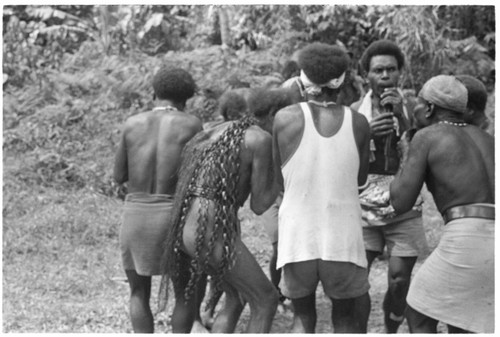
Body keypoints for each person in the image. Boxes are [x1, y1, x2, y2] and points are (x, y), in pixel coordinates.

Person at [160, 88, 283, 333]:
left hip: (185, 222)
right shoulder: (258, 138)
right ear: (268, 113)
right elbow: (259, 205)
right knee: (266, 299)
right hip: (210, 225)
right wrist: (282, 173)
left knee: (235, 296)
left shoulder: (208, 133)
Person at [273, 42, 371, 333]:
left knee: (302, 318)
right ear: (342, 81)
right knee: (343, 318)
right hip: (342, 237)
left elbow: (279, 181)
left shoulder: (284, 119)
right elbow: (360, 181)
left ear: (304, 81)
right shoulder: (360, 123)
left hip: (296, 237)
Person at [390, 75, 495, 333]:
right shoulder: (487, 139)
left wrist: (405, 150)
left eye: (418, 101)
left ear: (429, 108)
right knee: (464, 318)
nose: (414, 107)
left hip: (467, 237)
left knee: (418, 312)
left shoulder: (427, 136)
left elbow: (400, 202)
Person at [113, 66, 202, 333]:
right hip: (174, 216)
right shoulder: (192, 124)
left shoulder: (132, 123)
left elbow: (119, 176)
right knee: (184, 292)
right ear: (187, 98)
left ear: (154, 93)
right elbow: (198, 173)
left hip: (136, 215)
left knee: (138, 292)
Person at [350, 39, 428, 333]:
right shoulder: (354, 112)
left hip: (403, 202)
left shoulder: (415, 109)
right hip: (362, 205)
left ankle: (391, 328)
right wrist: (364, 135)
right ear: (365, 75)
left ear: (400, 74)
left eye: (391, 70)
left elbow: (424, 149)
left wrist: (400, 118)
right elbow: (343, 161)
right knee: (357, 278)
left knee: (399, 281)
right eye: (378, 70)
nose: (385, 76)